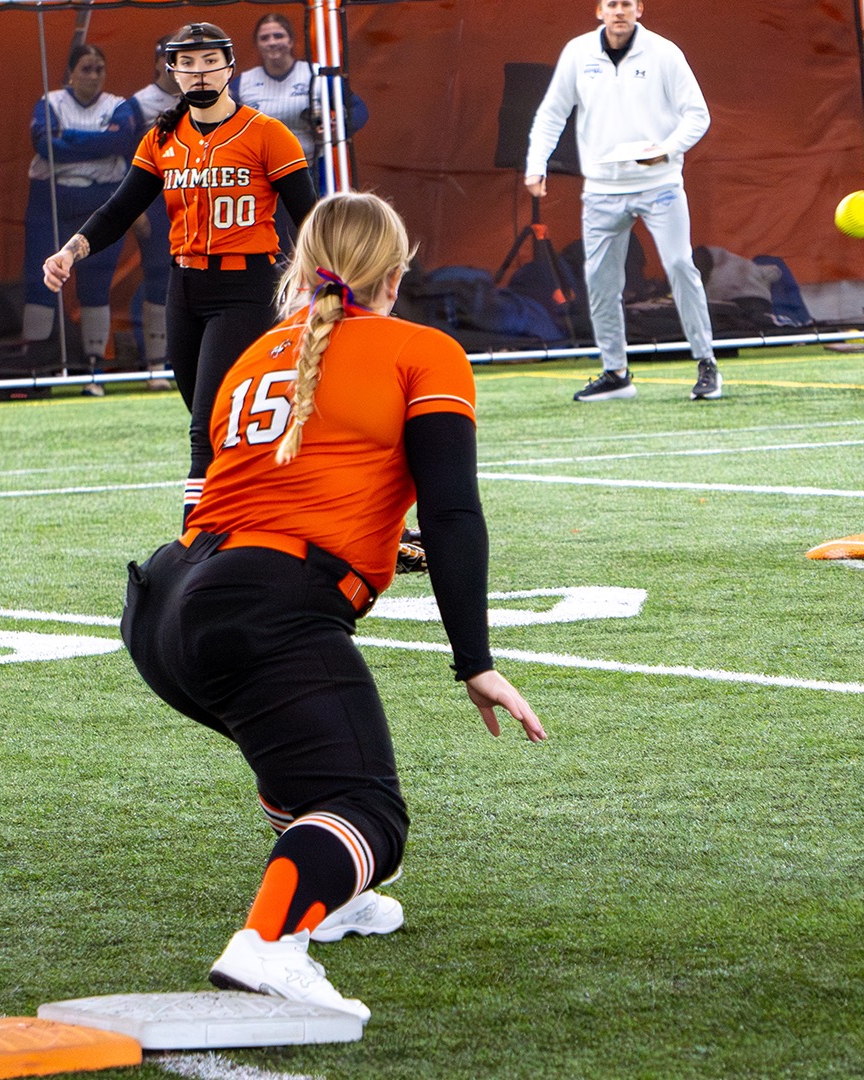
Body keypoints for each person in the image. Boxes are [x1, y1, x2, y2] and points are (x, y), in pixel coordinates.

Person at [121, 191, 545, 1019]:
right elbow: (453, 512)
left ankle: (336, 898)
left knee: (306, 764)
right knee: (367, 811)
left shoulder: (256, 354)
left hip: (165, 604)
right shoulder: (422, 350)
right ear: (394, 275)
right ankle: (269, 943)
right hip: (258, 604)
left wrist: (375, 542)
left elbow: (247, 488)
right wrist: (477, 663)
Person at [43, 22, 317, 519]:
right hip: (184, 287)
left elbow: (310, 217)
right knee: (212, 419)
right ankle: (282, 507)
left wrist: (318, 282)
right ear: (172, 72)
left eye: (209, 61)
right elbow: (121, 208)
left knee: (204, 431)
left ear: (230, 68)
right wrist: (71, 250)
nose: (199, 72)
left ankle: (196, 542)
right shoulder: (161, 137)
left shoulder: (267, 133)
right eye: (186, 64)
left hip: (246, 287)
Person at [524, 0, 722, 403]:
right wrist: (536, 164)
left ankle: (707, 364)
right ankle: (616, 373)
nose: (619, 11)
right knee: (599, 281)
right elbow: (552, 113)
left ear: (639, 10)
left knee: (681, 265)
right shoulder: (578, 53)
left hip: (659, 183)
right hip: (601, 188)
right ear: (599, 11)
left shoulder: (665, 53)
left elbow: (697, 116)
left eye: (626, 4)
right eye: (612, 4)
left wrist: (664, 150)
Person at [21, 43, 138, 396]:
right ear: (71, 72)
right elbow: (45, 147)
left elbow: (123, 142)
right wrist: (100, 142)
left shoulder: (118, 105)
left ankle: (92, 369)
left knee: (96, 284)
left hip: (100, 200)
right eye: (85, 69)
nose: (92, 76)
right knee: (41, 281)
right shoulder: (51, 102)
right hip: (53, 199)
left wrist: (70, 137)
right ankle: (37, 369)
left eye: (98, 69)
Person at [236, 14, 367, 195]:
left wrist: (340, 128)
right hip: (261, 176)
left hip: (314, 172)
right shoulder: (243, 83)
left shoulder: (316, 75)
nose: (272, 42)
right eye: (264, 38)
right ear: (257, 45)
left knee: (317, 222)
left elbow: (358, 109)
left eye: (278, 36)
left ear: (290, 41)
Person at [127, 35, 181, 391]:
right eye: (169, 58)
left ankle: (185, 357)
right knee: (159, 276)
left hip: (197, 196)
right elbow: (123, 159)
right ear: (158, 61)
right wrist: (136, 208)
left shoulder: (205, 97)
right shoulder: (139, 104)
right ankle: (155, 364)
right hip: (157, 198)